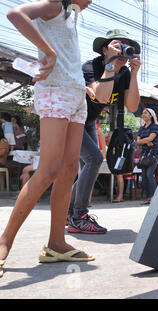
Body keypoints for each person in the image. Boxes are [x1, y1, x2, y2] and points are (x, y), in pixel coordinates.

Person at [1, 0, 95, 279]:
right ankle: (4, 241)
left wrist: (83, 85)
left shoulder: (70, 15)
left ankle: (56, 243)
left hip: (76, 94)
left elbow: (66, 55)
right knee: (49, 170)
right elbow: (15, 14)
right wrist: (48, 52)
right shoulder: (54, 3)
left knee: (69, 170)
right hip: (55, 90)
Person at [67, 29, 141, 234]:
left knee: (88, 165)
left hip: (88, 121)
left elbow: (133, 107)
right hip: (71, 119)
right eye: (118, 45)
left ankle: (71, 214)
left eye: (126, 46)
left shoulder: (125, 73)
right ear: (104, 49)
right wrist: (110, 65)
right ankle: (79, 216)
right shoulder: (92, 66)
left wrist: (134, 74)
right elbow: (100, 97)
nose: (123, 50)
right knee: (94, 159)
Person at [136, 108, 158, 205]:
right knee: (144, 176)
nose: (143, 115)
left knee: (150, 174)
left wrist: (146, 140)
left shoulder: (154, 126)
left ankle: (153, 197)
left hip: (153, 152)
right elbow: (137, 141)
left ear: (150, 115)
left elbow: (151, 138)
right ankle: (148, 197)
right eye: (142, 113)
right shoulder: (141, 128)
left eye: (146, 113)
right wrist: (147, 141)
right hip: (144, 153)